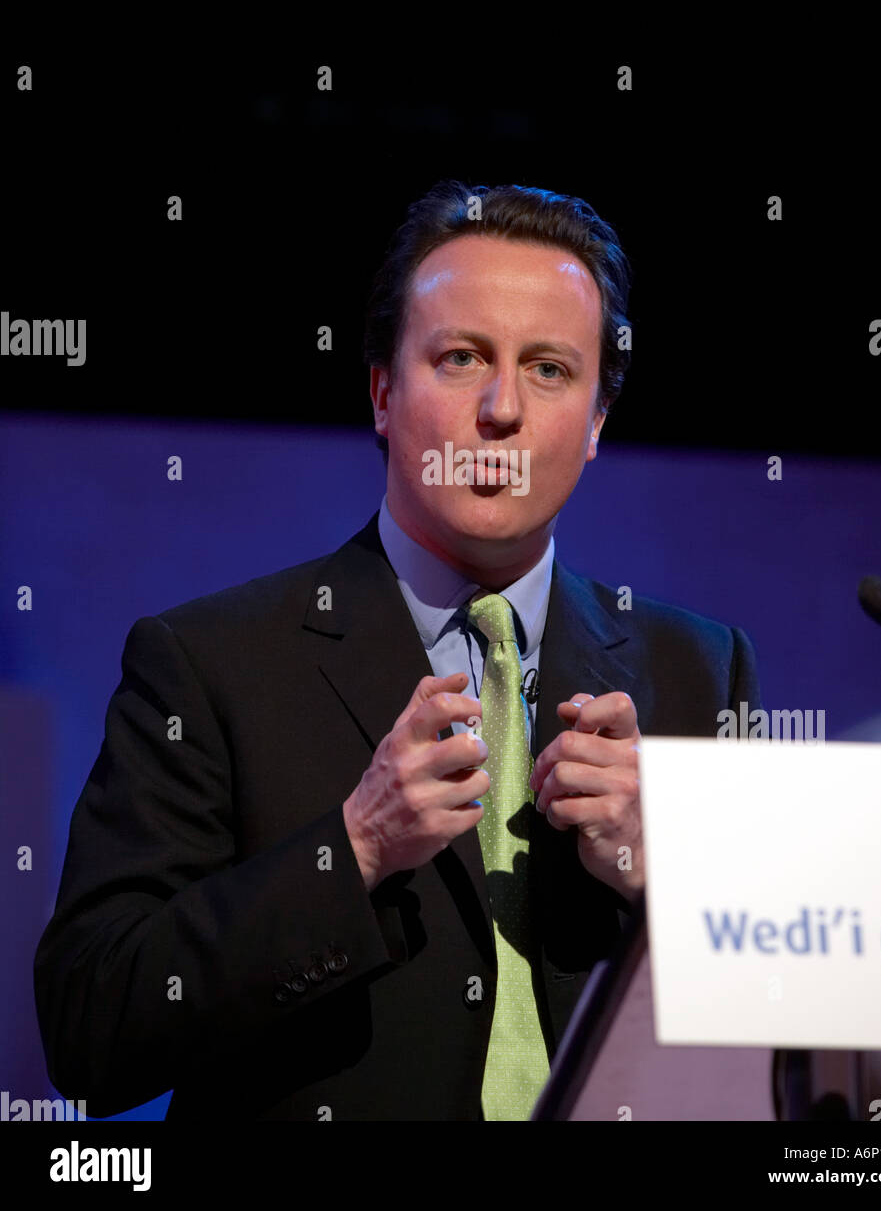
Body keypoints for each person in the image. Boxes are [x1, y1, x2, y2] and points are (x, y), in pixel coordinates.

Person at [34, 180, 761, 1121]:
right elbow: (91, 1028)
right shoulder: (209, 663)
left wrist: (669, 881)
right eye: (461, 358)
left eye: (548, 370)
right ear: (382, 391)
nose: (501, 409)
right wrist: (356, 846)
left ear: (594, 424)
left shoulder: (699, 672)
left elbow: (784, 1042)